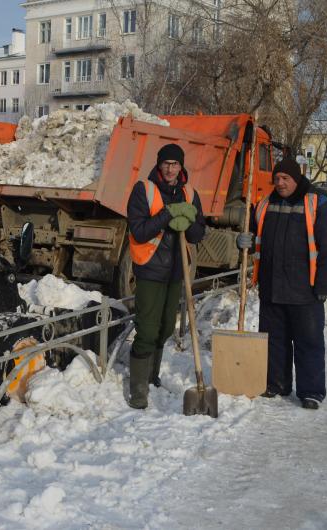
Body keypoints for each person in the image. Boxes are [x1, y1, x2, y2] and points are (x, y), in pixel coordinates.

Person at [236, 158, 327, 409]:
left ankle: (311, 391)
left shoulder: (317, 203)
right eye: (277, 179)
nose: (280, 183)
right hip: (272, 287)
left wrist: (325, 285)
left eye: (286, 179)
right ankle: (277, 383)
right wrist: (243, 241)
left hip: (305, 290)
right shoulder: (264, 204)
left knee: (309, 342)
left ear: (297, 179)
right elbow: (253, 235)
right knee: (274, 340)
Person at [126, 144, 206, 409]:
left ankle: (152, 376)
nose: (171, 169)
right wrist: (166, 215)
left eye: (175, 164)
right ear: (159, 164)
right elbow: (139, 231)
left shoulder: (189, 193)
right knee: (147, 330)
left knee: (165, 329)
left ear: (181, 166)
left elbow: (197, 235)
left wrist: (189, 219)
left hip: (175, 271)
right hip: (150, 268)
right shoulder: (144, 190)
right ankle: (138, 391)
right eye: (166, 163)